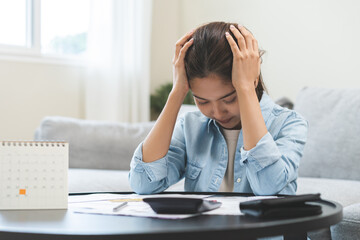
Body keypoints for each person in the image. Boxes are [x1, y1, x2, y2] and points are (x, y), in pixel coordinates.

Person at [129, 22, 308, 195]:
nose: (217, 112)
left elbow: (268, 187)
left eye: (229, 99)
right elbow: (143, 183)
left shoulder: (289, 124)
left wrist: (246, 88)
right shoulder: (189, 126)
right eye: (202, 101)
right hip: (202, 226)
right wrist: (176, 93)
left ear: (253, 79)